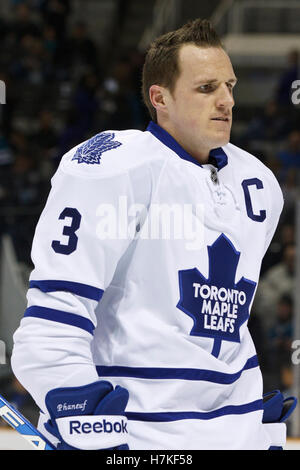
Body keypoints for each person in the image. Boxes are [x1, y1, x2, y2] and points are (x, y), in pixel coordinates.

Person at [11, 19, 296, 450]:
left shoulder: (258, 185)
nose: (227, 101)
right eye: (206, 88)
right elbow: (52, 323)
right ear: (159, 98)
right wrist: (78, 411)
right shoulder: (113, 169)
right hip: (139, 433)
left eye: (230, 86)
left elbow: (230, 326)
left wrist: (254, 423)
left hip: (235, 434)